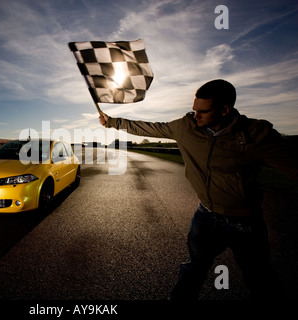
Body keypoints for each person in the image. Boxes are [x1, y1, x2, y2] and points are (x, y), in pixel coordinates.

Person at [99, 79, 298, 301]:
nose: (196, 116)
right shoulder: (186, 127)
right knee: (192, 270)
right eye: (194, 110)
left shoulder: (256, 134)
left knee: (260, 280)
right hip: (205, 217)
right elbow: (150, 127)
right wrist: (112, 122)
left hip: (246, 225)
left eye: (202, 112)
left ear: (225, 110)